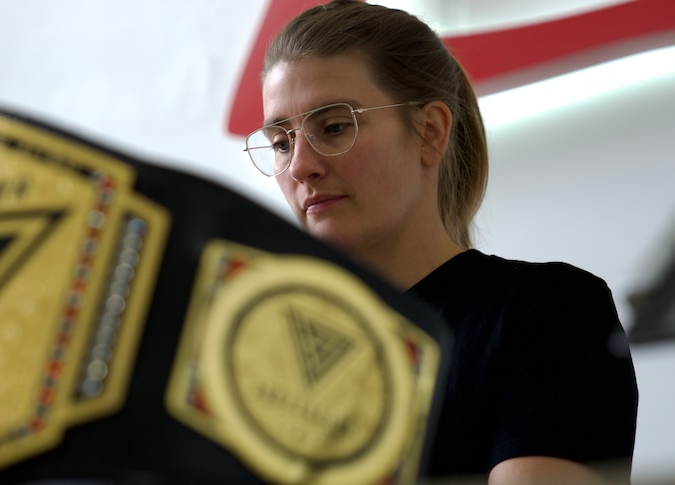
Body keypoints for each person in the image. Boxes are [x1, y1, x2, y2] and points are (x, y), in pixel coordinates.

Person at [243, 1, 639, 483]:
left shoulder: (546, 312)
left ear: (430, 131)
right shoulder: (259, 358)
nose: (301, 165)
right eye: (281, 142)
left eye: (334, 127)